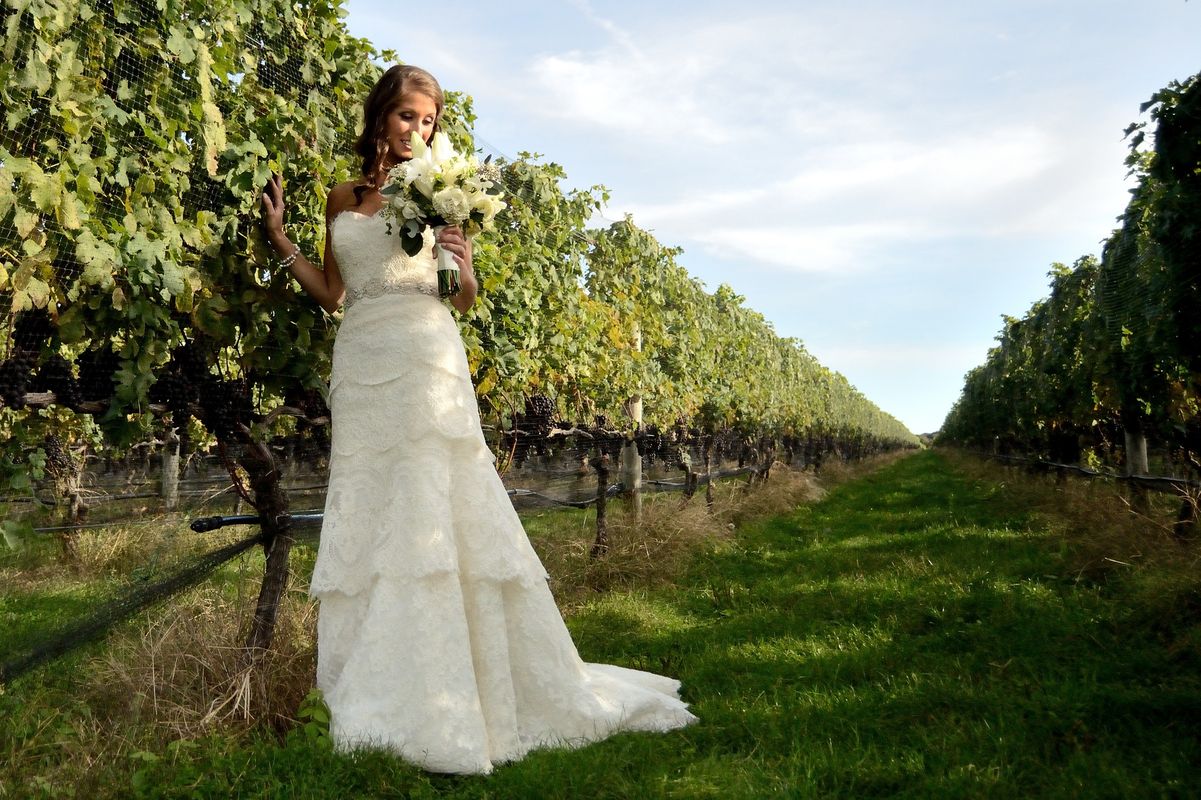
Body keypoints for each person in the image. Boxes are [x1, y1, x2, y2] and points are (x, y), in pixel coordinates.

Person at [259, 64, 697, 775]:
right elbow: (335, 294)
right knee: (372, 508)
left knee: (434, 508)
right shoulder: (343, 195)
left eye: (427, 121)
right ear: (380, 117)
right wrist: (282, 241)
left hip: (426, 354)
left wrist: (462, 264)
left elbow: (462, 299)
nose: (416, 131)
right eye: (406, 116)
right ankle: (373, 691)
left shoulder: (441, 192)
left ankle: (450, 695)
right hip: (362, 359)